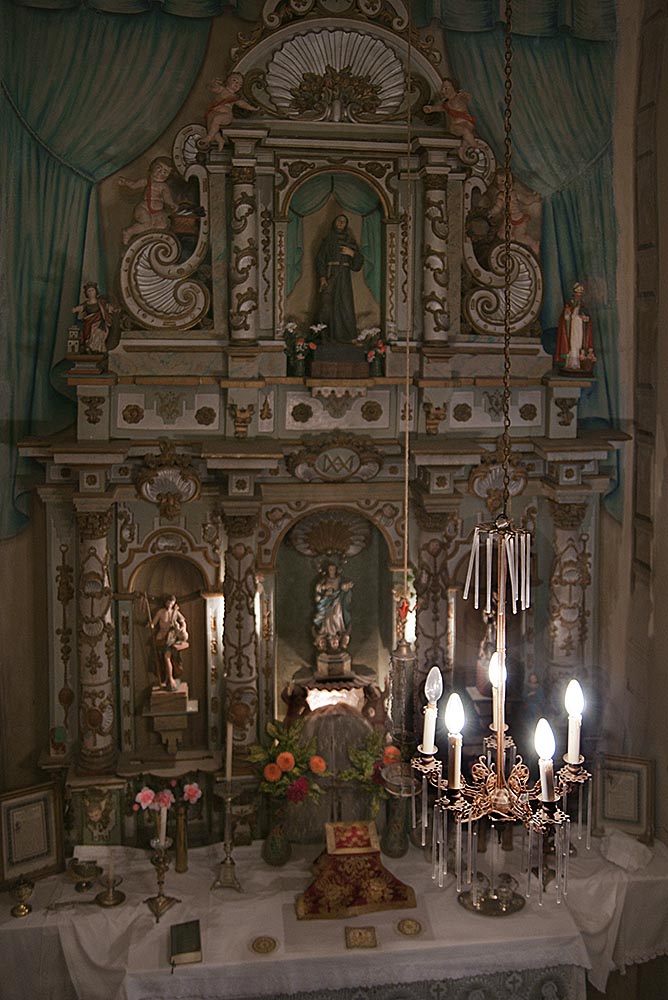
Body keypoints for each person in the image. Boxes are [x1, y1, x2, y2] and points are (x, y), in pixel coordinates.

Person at [314, 215, 364, 343]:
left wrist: (351, 253)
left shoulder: (350, 240)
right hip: (331, 274)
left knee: (346, 304)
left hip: (344, 276)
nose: (341, 223)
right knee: (328, 305)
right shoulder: (328, 240)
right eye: (339, 221)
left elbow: (358, 263)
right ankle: (327, 336)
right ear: (334, 222)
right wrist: (322, 277)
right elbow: (320, 259)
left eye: (344, 222)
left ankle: (348, 336)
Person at [118, 157, 178, 246]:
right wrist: (125, 182)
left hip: (158, 212)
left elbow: (167, 198)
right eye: (159, 169)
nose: (161, 173)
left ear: (168, 176)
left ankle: (152, 244)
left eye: (165, 172)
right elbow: (134, 185)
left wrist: (172, 204)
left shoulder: (163, 186)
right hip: (144, 208)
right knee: (147, 223)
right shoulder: (146, 181)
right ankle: (129, 232)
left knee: (162, 225)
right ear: (152, 168)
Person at [204, 73, 257, 152]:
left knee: (216, 119)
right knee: (211, 125)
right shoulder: (222, 89)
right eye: (235, 80)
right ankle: (220, 140)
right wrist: (213, 83)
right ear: (227, 81)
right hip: (214, 112)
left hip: (226, 115)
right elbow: (211, 88)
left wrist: (252, 108)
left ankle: (208, 138)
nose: (237, 84)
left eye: (240, 84)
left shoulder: (234, 97)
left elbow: (242, 104)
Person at [423, 78, 479, 151]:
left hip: (467, 122)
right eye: (442, 89)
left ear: (454, 88)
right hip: (455, 126)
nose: (443, 91)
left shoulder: (459, 98)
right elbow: (439, 108)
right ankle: (474, 146)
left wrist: (465, 95)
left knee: (466, 132)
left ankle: (471, 146)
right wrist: (430, 109)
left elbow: (467, 97)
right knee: (465, 131)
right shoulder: (446, 104)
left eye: (446, 88)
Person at [313, 561, 354, 653]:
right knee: (327, 619)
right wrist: (324, 587)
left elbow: (343, 588)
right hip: (327, 601)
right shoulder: (325, 579)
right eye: (330, 569)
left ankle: (337, 629)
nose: (332, 571)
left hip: (337, 600)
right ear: (328, 570)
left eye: (333, 569)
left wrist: (345, 588)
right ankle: (329, 631)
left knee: (336, 615)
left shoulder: (339, 579)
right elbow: (318, 588)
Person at [554, 282, 596, 372]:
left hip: (580, 329)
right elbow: (565, 318)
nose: (578, 296)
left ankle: (579, 363)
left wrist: (585, 318)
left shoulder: (583, 306)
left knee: (579, 345)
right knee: (572, 345)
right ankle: (571, 364)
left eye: (580, 295)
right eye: (577, 294)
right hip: (572, 329)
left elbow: (588, 318)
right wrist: (568, 314)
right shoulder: (569, 305)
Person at [151, 594, 189, 691]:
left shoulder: (175, 613)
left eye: (172, 603)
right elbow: (153, 623)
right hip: (161, 638)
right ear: (165, 602)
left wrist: (182, 628)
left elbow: (183, 621)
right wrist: (151, 625)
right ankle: (169, 679)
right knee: (164, 659)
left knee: (168, 658)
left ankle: (171, 679)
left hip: (172, 639)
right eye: (168, 603)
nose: (170, 605)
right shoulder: (161, 612)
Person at [71, 282, 116, 353]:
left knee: (99, 333)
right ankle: (90, 347)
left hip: (100, 324)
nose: (91, 292)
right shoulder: (86, 304)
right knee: (89, 333)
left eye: (92, 290)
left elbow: (107, 307)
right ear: (86, 293)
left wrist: (112, 309)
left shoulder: (101, 302)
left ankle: (97, 349)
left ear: (96, 291)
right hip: (89, 323)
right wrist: (75, 309)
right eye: (89, 291)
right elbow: (80, 308)